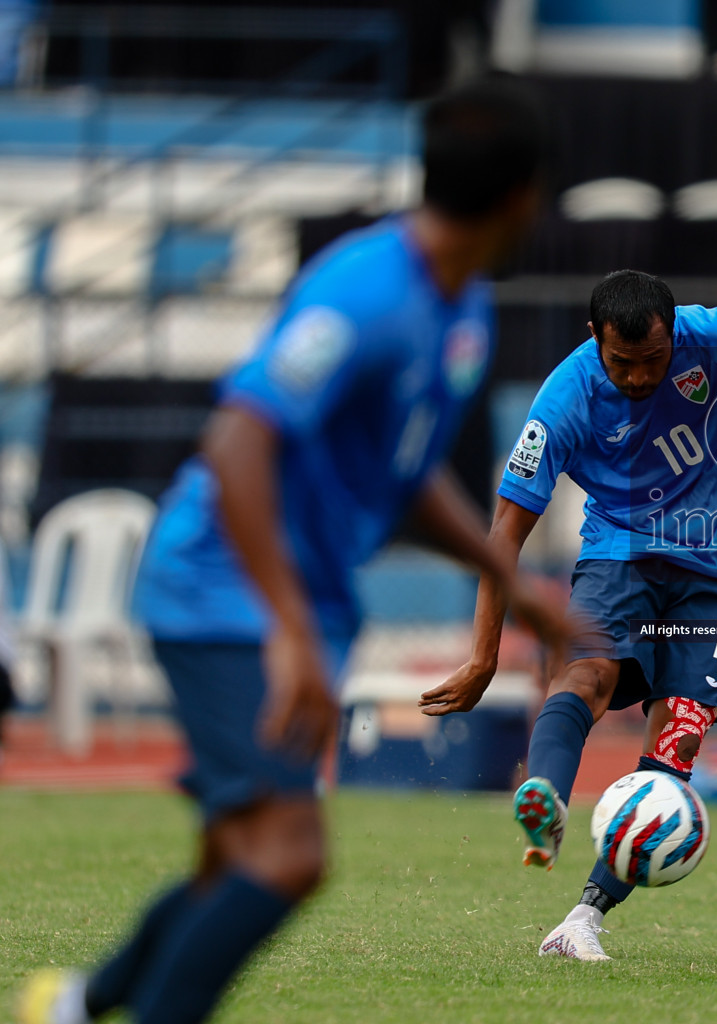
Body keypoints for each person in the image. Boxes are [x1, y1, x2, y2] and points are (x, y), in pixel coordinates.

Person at [17, 75, 571, 1024]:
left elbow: (403, 474)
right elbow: (237, 441)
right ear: (523, 197)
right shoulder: (364, 292)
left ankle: (71, 1006)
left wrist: (507, 582)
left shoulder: (461, 306)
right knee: (288, 854)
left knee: (233, 858)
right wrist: (284, 629)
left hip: (287, 602)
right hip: (221, 593)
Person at [419, 269, 717, 961]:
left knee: (679, 739)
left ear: (673, 334)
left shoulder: (713, 333)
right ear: (594, 339)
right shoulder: (564, 398)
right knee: (590, 675)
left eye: (653, 362)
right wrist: (483, 657)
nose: (637, 377)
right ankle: (545, 795)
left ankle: (583, 919)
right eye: (621, 363)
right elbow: (503, 535)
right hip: (619, 556)